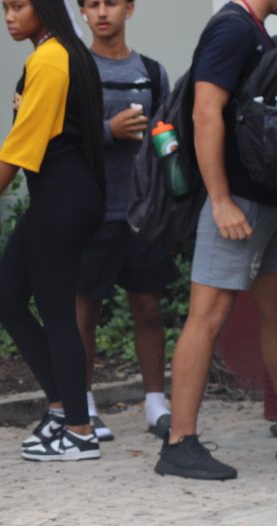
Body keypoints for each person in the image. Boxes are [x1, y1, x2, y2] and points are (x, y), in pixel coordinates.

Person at [0, 0, 106, 462]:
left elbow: (22, 147)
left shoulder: (53, 58)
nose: (9, 17)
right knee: (7, 299)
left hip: (63, 197)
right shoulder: (56, 53)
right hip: (59, 197)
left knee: (57, 311)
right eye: (5, 8)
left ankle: (79, 429)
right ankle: (62, 409)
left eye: (18, 6)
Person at [155, 0, 277, 479]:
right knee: (207, 315)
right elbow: (205, 112)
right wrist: (220, 199)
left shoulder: (259, 33)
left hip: (269, 201)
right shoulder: (231, 30)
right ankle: (179, 444)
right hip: (235, 203)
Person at [75, 0, 175, 441]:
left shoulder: (152, 73)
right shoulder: (77, 69)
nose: (102, 12)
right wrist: (107, 131)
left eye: (110, 3)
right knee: (84, 310)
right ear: (81, 12)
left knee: (149, 307)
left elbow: (167, 135)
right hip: (94, 212)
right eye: (92, 4)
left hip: (142, 212)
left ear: (129, 9)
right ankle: (84, 404)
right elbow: (61, 138)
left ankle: (156, 403)